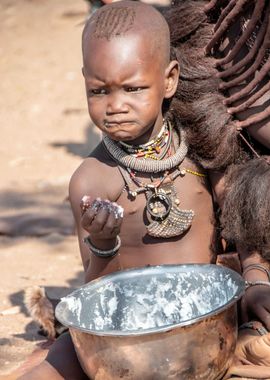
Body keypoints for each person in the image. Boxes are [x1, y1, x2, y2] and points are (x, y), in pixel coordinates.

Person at [19, 1, 226, 378]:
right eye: (99, 92)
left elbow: (245, 229)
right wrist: (104, 245)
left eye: (133, 88)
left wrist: (258, 279)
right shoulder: (92, 180)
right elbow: (97, 296)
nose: (115, 106)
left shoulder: (203, 148)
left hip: (211, 319)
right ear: (84, 81)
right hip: (130, 335)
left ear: (170, 80)